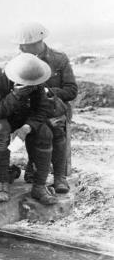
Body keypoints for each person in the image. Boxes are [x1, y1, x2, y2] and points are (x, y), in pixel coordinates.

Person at [0, 53, 58, 204]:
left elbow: (41, 109)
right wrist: (16, 95)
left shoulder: (35, 76)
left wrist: (27, 127)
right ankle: (2, 184)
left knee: (45, 133)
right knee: (1, 130)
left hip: (20, 113)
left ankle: (39, 187)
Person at [12, 22, 78, 193]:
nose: (20, 49)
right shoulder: (19, 62)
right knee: (35, 128)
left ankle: (59, 177)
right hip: (33, 110)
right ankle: (34, 166)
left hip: (55, 108)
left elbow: (71, 90)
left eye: (24, 46)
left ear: (37, 43)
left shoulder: (59, 59)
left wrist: (49, 92)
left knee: (56, 128)